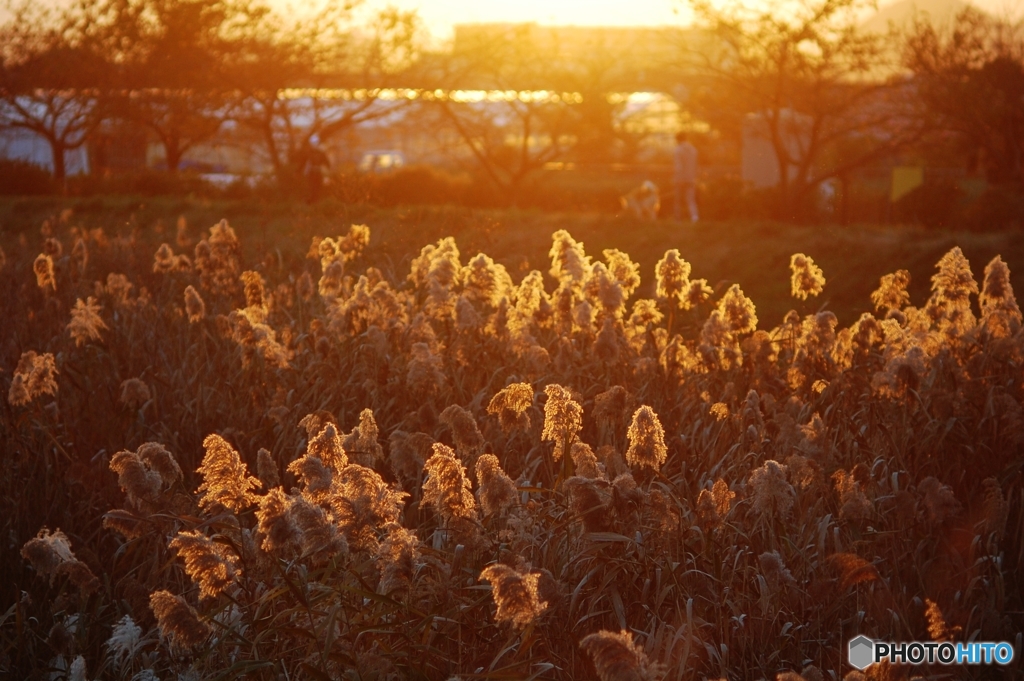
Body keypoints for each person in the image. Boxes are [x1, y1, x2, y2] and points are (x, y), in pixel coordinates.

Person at [672, 131, 699, 223]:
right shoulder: (693, 149)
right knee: (691, 200)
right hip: (691, 178)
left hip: (680, 179)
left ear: (677, 139)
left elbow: (678, 167)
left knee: (678, 200)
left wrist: (678, 178)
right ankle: (694, 218)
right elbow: (695, 165)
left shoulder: (678, 150)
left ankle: (678, 219)